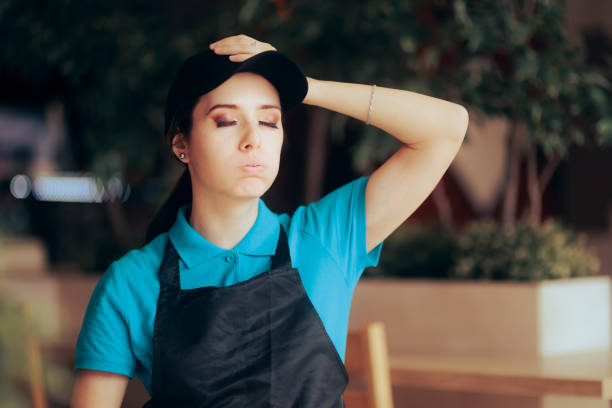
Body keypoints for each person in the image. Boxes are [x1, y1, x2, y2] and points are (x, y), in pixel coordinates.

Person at [71, 34, 468, 407]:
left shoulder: (323, 238)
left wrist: (305, 86)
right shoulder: (130, 283)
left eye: (269, 120)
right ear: (181, 143)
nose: (252, 139)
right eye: (226, 121)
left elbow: (446, 129)